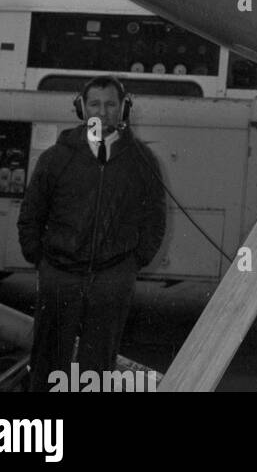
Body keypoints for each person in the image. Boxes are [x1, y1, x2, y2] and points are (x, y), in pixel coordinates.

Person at [17, 76, 165, 392]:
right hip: (60, 275)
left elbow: (155, 218)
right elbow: (31, 213)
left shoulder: (141, 160)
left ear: (124, 108)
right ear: (81, 108)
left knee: (96, 371)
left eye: (111, 104)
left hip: (112, 279)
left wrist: (132, 264)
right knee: (47, 365)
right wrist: (39, 258)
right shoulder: (55, 158)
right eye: (95, 104)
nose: (103, 111)